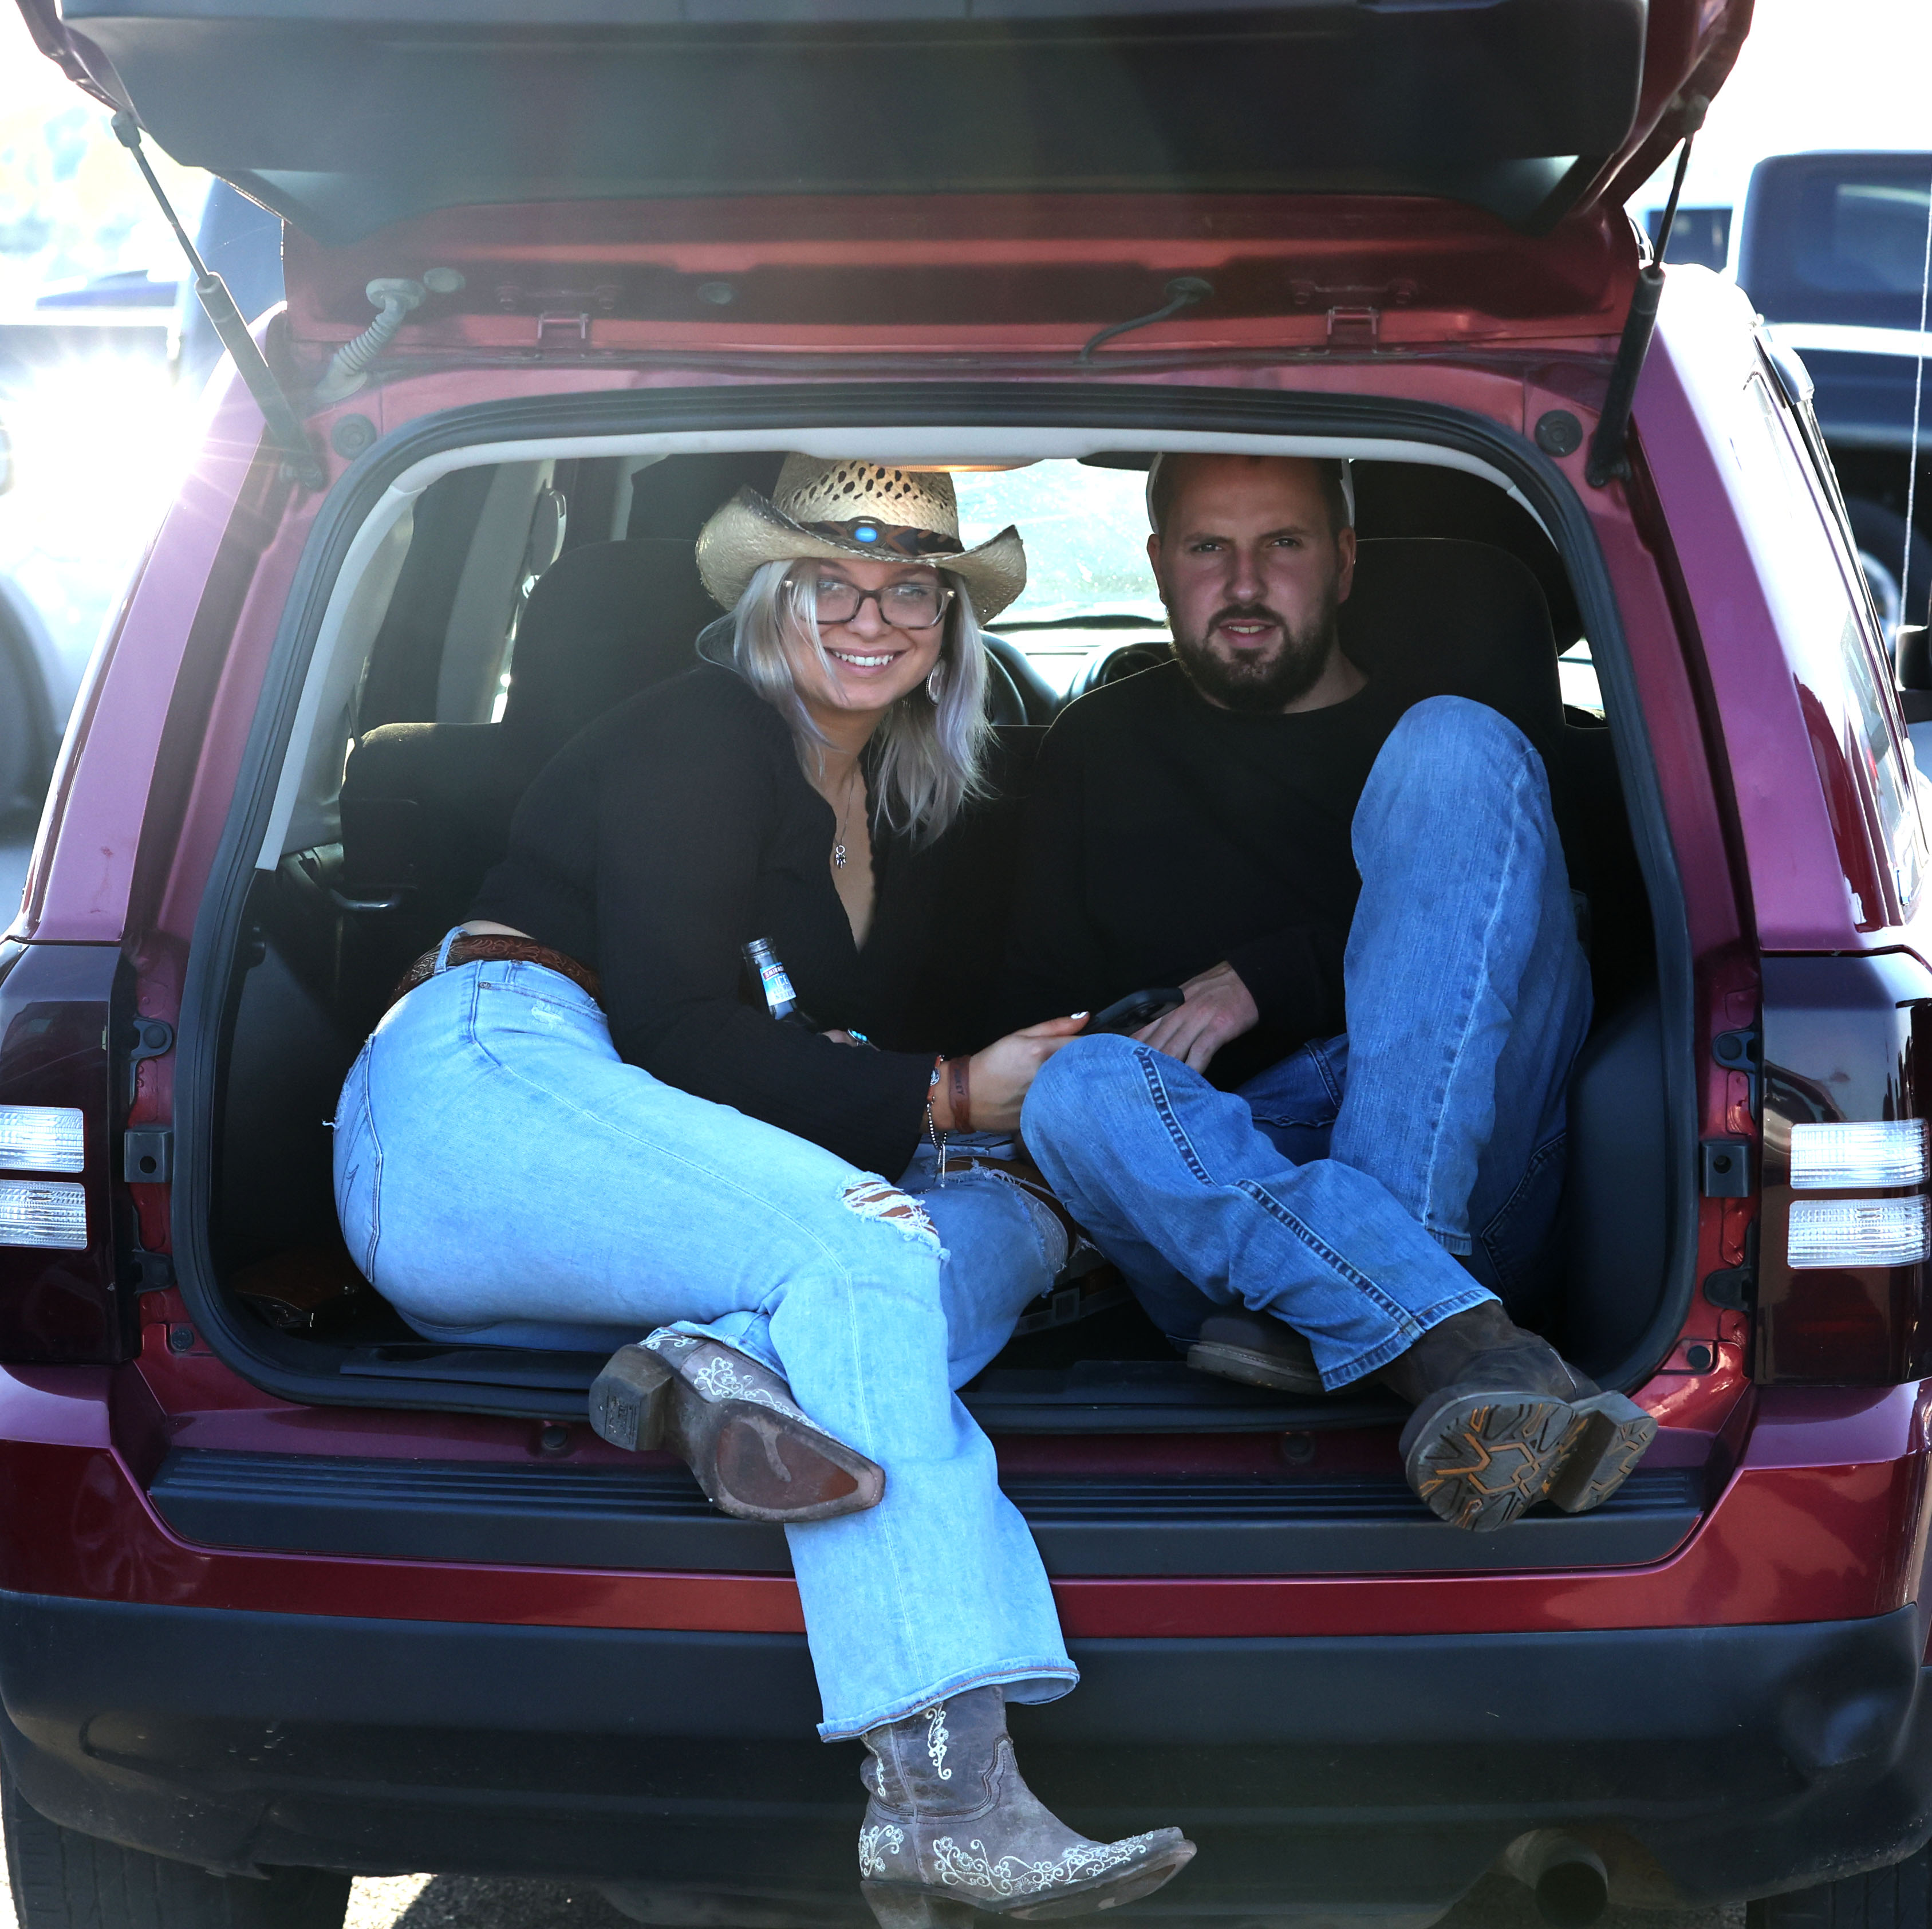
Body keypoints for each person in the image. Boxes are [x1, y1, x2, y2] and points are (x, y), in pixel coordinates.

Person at [331, 457, 1196, 1923]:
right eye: (832, 586)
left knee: (959, 1227)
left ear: (946, 624)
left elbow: (793, 1064)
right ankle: (943, 1793)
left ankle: (722, 1362)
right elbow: (675, 1026)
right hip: (485, 1084)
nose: (873, 616)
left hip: (600, 1147)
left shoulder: (885, 799)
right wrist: (943, 1093)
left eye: (909, 589)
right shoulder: (698, 733)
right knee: (863, 1252)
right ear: (769, 603)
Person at [1007, 451, 1655, 1535]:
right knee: (1074, 1093)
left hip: (1465, 1155)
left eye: (1286, 544)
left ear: (1345, 561)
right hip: (1219, 1209)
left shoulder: (1456, 753)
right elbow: (1023, 1017)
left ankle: (1400, 1265)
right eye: (1210, 546)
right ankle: (1457, 1347)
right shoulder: (1095, 748)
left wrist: (1273, 976)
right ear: (1161, 564)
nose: (1246, 580)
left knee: (1453, 742)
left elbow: (1513, 952)